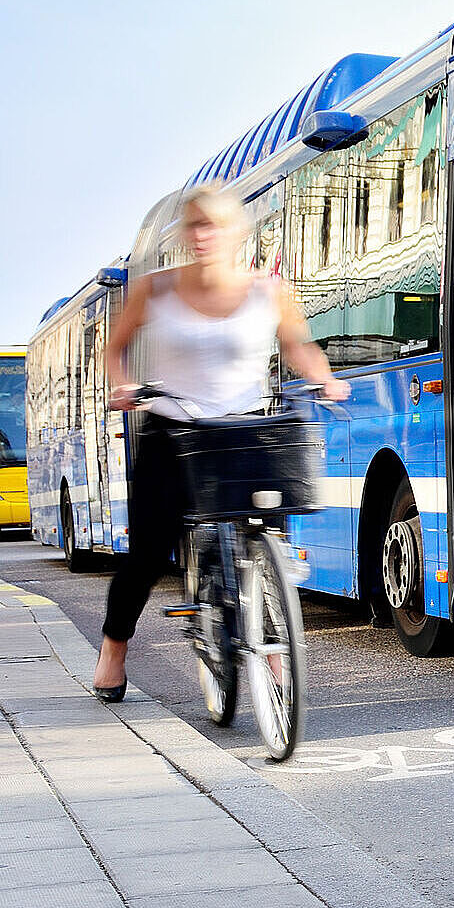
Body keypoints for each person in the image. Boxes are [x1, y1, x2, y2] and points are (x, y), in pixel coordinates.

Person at [91, 190, 348, 702]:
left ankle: (274, 648)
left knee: (269, 535)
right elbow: (114, 349)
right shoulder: (152, 290)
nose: (203, 235)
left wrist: (324, 378)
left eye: (214, 225)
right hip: (174, 433)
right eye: (194, 226)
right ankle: (113, 651)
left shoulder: (269, 291)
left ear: (238, 234)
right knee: (146, 554)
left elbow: (297, 346)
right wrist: (124, 385)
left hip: (246, 433)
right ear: (185, 235)